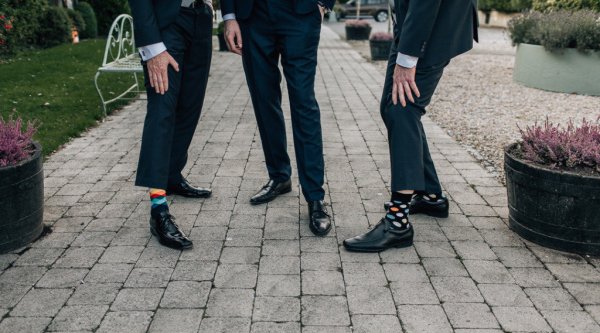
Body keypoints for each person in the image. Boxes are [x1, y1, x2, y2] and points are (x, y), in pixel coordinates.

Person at [344, 0, 479, 252]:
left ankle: (397, 223)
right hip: (419, 26)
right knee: (395, 110)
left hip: (430, 28)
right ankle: (431, 197)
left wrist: (407, 59)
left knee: (401, 111)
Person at [221, 0, 335, 236]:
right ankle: (280, 176)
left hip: (300, 14)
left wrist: (324, 3)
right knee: (264, 99)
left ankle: (315, 196)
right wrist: (230, 15)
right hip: (253, 16)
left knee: (304, 103)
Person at [128, 0, 214, 250]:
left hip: (200, 19)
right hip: (167, 23)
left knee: (190, 107)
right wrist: (152, 47)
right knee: (162, 110)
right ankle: (158, 209)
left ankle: (172, 176)